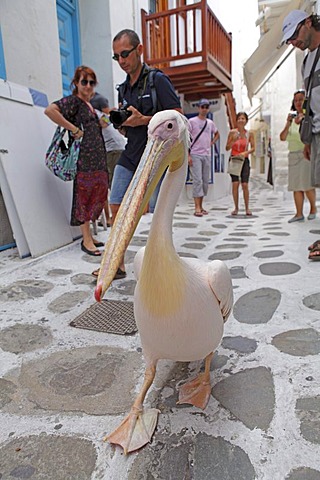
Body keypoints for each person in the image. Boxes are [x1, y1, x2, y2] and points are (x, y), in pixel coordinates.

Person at [92, 28, 182, 279]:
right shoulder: (123, 89)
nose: (121, 61)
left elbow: (177, 116)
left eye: (124, 54)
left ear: (139, 50)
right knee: (116, 203)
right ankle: (116, 263)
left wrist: (143, 119)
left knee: (156, 211)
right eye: (116, 57)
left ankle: (162, 264)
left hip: (154, 155)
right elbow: (128, 124)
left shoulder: (157, 80)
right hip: (131, 153)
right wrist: (121, 122)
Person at [45, 66, 108, 257]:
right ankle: (86, 239)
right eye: (84, 82)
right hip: (84, 161)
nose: (88, 86)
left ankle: (89, 235)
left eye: (91, 82)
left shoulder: (89, 105)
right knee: (85, 196)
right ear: (76, 83)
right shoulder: (74, 101)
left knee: (97, 193)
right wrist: (73, 128)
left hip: (97, 160)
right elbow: (50, 111)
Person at [282, 11, 320, 259]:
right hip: (316, 132)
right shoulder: (307, 61)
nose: (293, 42)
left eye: (295, 35)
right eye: (290, 40)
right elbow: (308, 101)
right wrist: (308, 138)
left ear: (308, 22)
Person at [280, 90, 317, 223]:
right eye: (295, 100)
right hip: (293, 155)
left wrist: (303, 120)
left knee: (307, 185)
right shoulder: (291, 118)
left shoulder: (309, 117)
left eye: (301, 99)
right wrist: (288, 123)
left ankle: (313, 209)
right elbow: (282, 137)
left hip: (306, 153)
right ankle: (299, 213)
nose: (298, 102)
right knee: (296, 186)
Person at [90, 92, 127, 226]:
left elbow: (104, 124)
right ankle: (112, 217)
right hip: (116, 148)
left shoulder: (99, 115)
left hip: (112, 150)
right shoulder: (102, 115)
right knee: (113, 183)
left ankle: (116, 218)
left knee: (112, 184)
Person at [188, 99, 220, 217]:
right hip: (195, 154)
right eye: (202, 106)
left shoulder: (210, 123)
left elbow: (217, 133)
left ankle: (201, 206)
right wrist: (188, 155)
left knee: (205, 181)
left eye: (206, 107)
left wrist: (212, 142)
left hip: (206, 155)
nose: (204, 109)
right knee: (197, 180)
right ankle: (196, 207)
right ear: (199, 108)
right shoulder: (192, 122)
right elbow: (186, 138)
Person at [226, 112, 255, 216]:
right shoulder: (232, 132)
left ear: (246, 121)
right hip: (234, 160)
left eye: (243, 118)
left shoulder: (249, 134)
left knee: (245, 185)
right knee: (235, 184)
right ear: (236, 121)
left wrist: (245, 153)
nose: (241, 120)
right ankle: (236, 208)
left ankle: (247, 208)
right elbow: (227, 148)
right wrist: (232, 141)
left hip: (244, 160)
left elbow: (253, 148)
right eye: (239, 118)